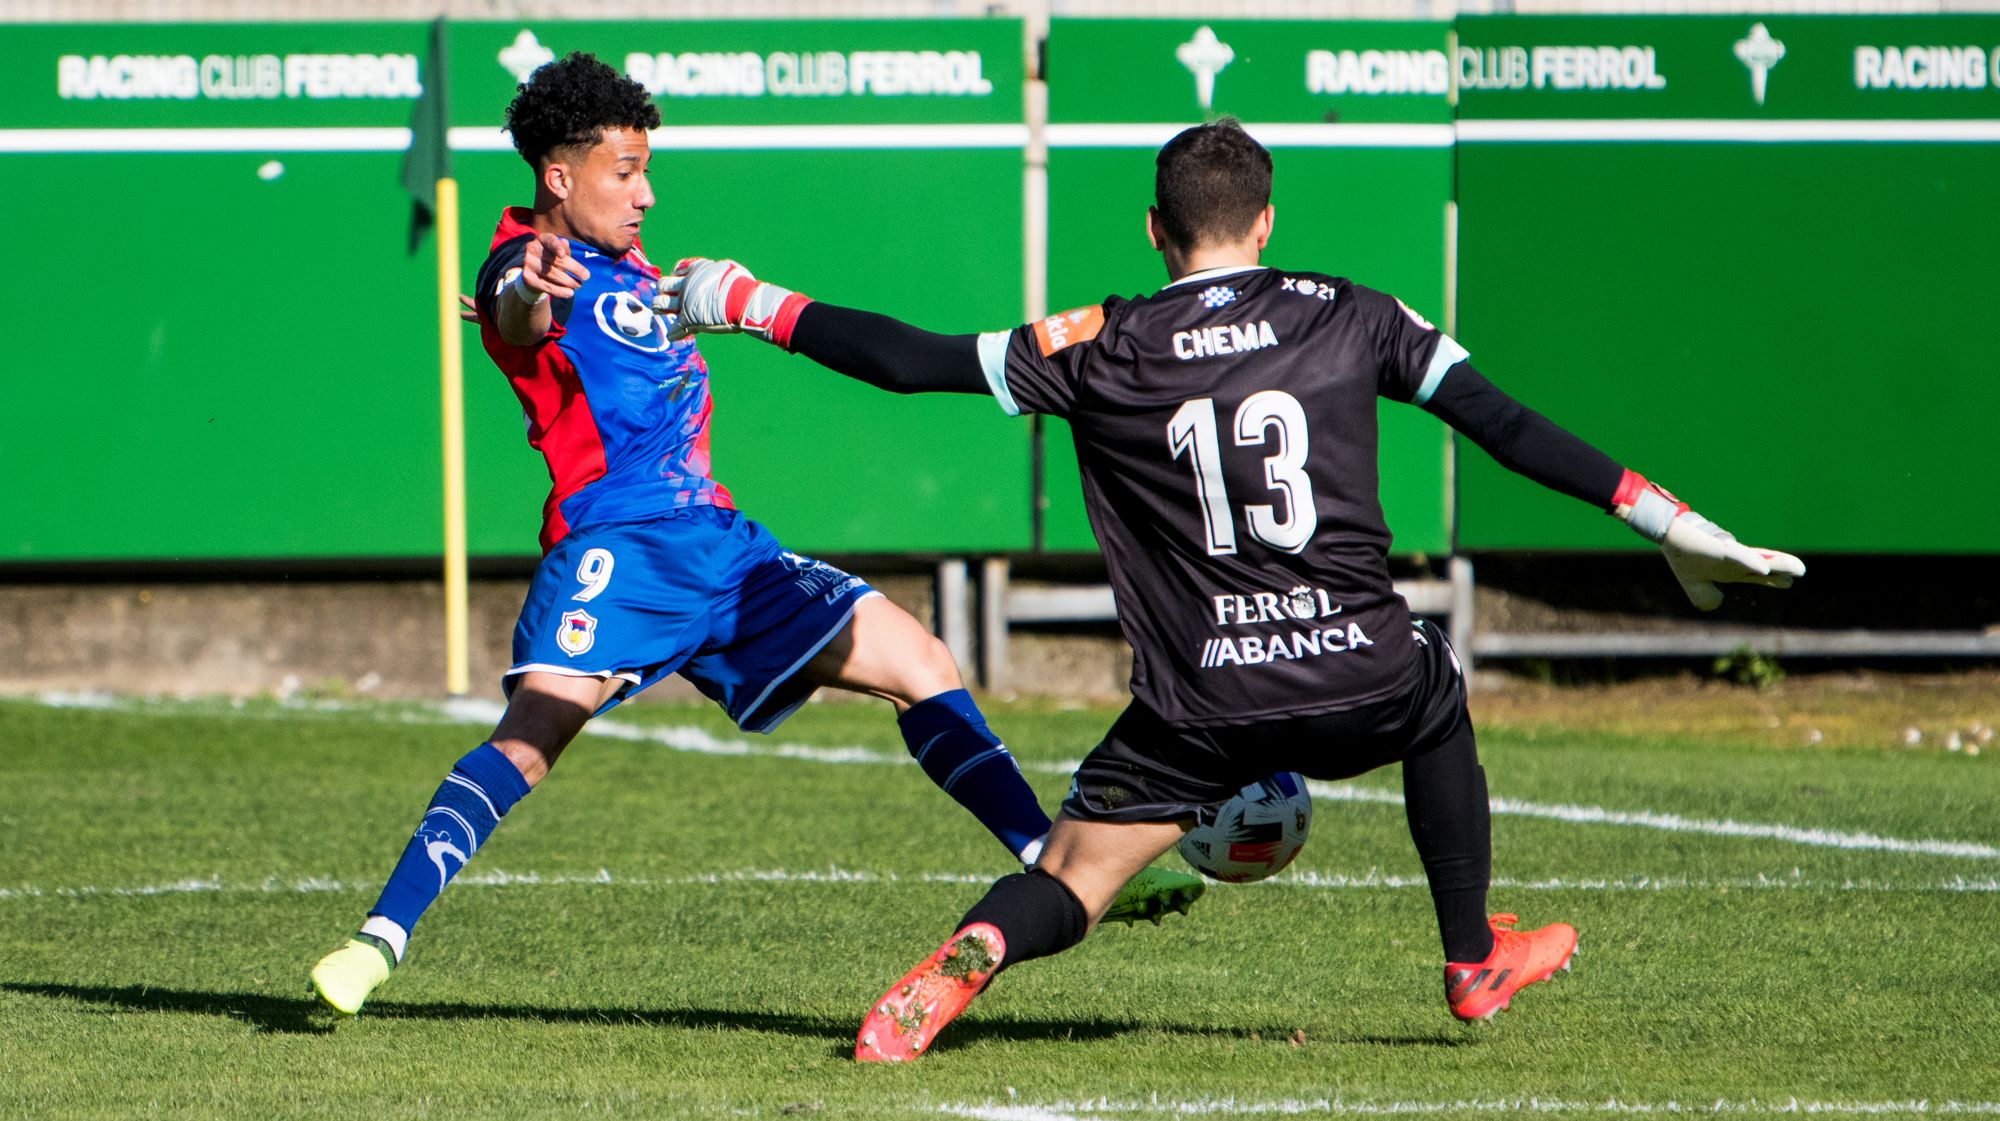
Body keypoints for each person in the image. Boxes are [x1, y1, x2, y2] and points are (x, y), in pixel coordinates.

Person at [662, 118, 1805, 1061]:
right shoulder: (1352, 310)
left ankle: (950, 974)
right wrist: (1674, 522)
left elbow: (911, 361)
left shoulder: (1100, 341)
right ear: (1265, 220)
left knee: (1070, 875)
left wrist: (748, 301)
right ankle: (1468, 955)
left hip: (1199, 702)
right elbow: (1502, 428)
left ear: (1154, 230)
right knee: (1437, 690)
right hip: (1361, 668)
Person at [307, 53, 1203, 1018]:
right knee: (530, 737)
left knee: (920, 658)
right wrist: (525, 286)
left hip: (725, 549)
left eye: (648, 167)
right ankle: (376, 942)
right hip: (623, 548)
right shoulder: (526, 260)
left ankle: (1052, 864)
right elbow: (519, 311)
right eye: (624, 171)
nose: (645, 190)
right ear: (558, 179)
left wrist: (711, 297)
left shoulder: (633, 268)